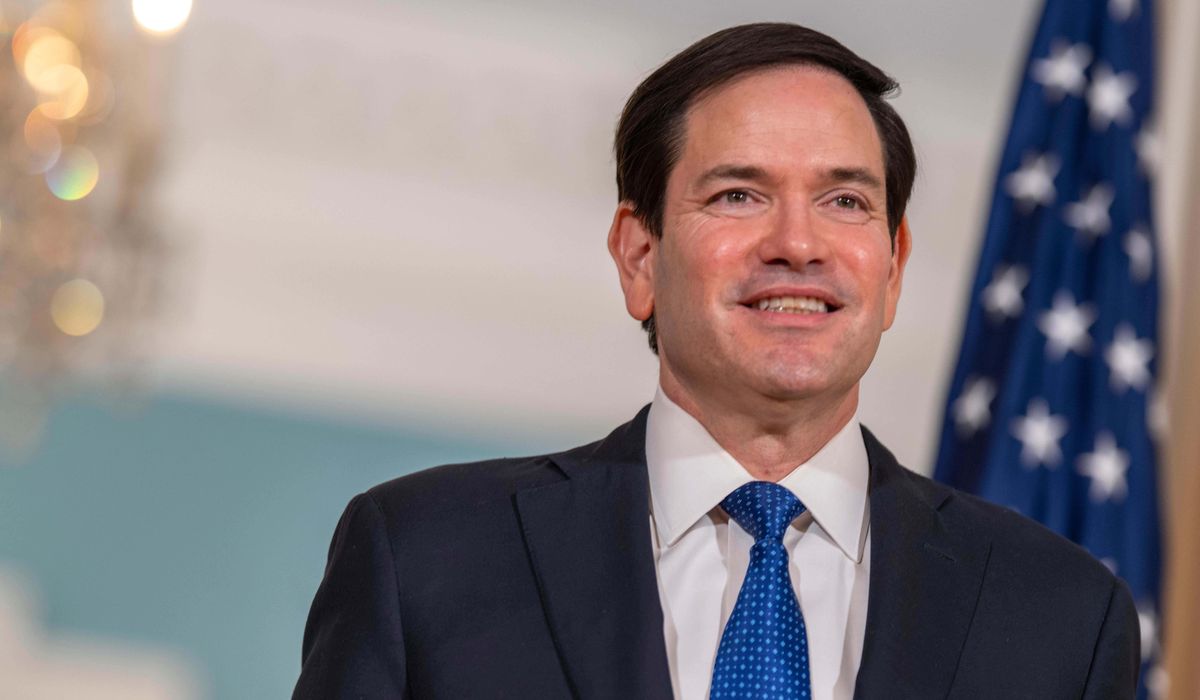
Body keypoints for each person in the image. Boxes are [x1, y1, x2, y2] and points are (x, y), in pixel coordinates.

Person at [293, 22, 1139, 700]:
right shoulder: (425, 557)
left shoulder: (1060, 613)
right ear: (639, 256)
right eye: (739, 194)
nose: (798, 243)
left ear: (893, 268)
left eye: (845, 200)